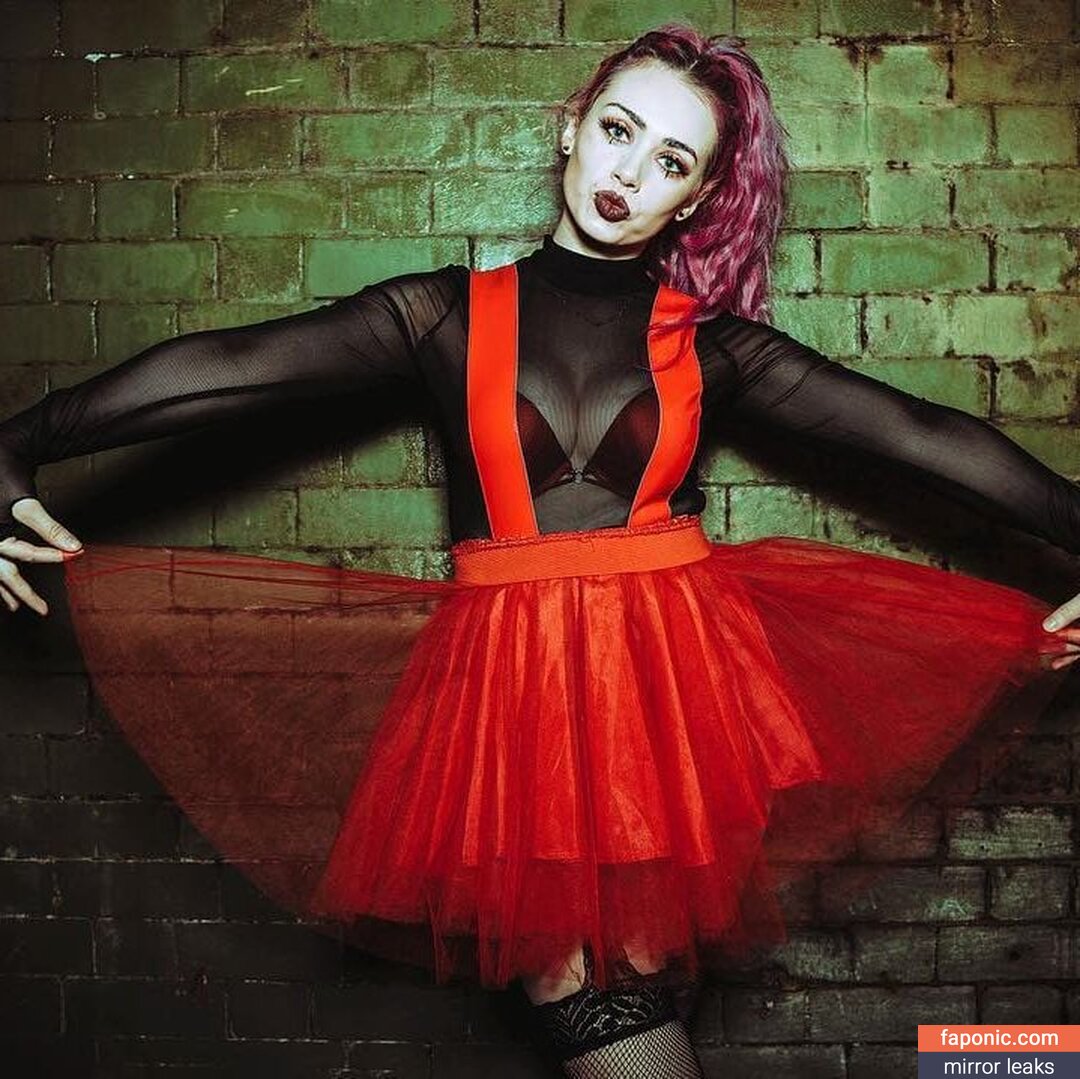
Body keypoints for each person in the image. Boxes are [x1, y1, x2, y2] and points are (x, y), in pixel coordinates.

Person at [1, 24, 1078, 1079]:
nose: (629, 172)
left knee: (632, 975)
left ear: (695, 198)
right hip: (517, 692)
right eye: (618, 130)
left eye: (671, 161)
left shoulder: (707, 344)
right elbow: (232, 365)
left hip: (658, 690)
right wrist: (19, 441)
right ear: (571, 126)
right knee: (580, 979)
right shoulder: (443, 317)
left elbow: (919, 434)